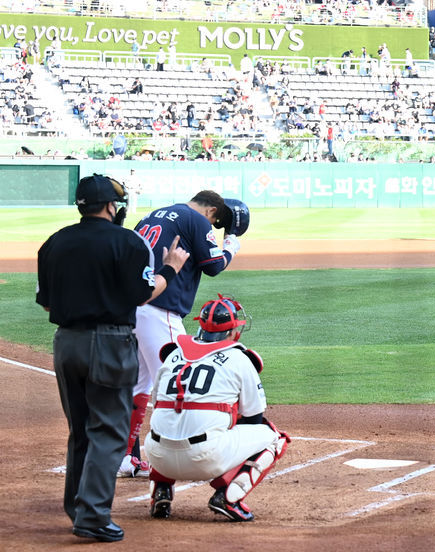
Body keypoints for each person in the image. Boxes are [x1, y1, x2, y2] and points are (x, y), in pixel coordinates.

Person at [36, 174, 189, 542]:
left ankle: (77, 506)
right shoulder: (127, 241)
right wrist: (171, 268)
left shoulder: (54, 243)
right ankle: (92, 516)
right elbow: (142, 293)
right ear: (110, 206)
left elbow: (46, 302)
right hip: (109, 343)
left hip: (65, 343)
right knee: (109, 429)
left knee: (81, 429)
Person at [118, 191, 244, 478]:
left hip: (132, 306)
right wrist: (230, 246)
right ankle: (183, 458)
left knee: (139, 385)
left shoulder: (153, 214)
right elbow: (214, 266)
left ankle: (125, 457)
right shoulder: (196, 219)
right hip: (162, 310)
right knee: (181, 386)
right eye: (214, 220)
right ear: (210, 210)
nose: (212, 225)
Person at [145, 294, 289, 522]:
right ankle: (228, 498)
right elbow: (254, 417)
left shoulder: (173, 354)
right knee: (274, 437)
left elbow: (158, 404)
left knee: (169, 418)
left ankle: (160, 492)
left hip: (157, 456)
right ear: (234, 331)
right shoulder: (239, 358)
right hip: (205, 458)